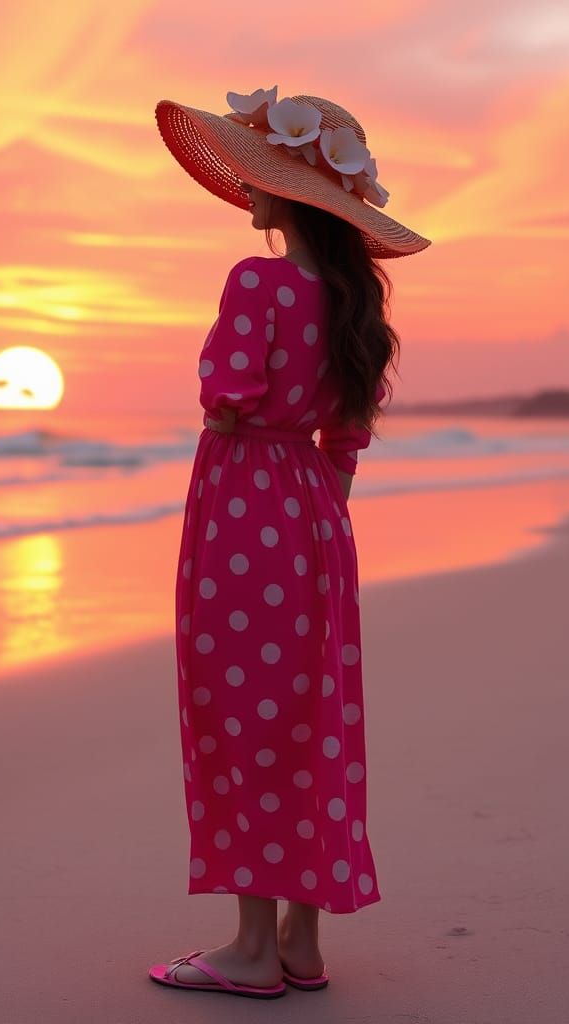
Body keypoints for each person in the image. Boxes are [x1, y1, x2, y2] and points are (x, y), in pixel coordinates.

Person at [148, 87, 430, 1000]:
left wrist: (248, 457)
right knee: (311, 721)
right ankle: (302, 941)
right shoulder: (352, 303)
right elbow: (344, 444)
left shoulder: (257, 282)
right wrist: (310, 519)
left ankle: (250, 950)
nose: (246, 187)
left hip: (242, 503)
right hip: (315, 515)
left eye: (257, 172)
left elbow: (227, 397)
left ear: (292, 191)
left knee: (241, 722)